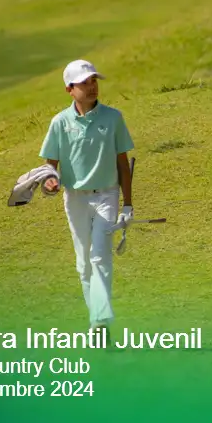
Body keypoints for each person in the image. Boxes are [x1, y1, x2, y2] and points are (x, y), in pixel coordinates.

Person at [39, 59, 135, 344]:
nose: (92, 87)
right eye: (84, 83)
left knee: (100, 257)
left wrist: (128, 205)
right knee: (84, 264)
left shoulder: (113, 118)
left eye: (94, 81)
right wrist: (50, 181)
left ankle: (99, 322)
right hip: (75, 198)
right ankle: (97, 319)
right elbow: (50, 166)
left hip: (106, 195)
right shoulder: (59, 123)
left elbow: (123, 164)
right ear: (70, 89)